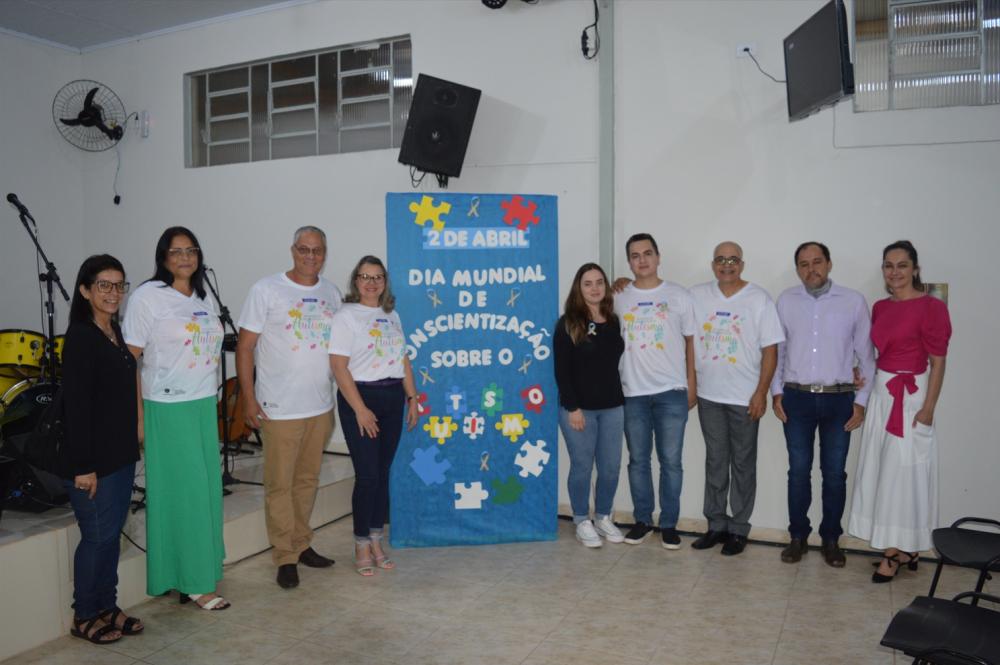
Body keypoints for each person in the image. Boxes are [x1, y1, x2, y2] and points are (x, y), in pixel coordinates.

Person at [123, 227, 229, 610]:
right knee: (185, 495)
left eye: (191, 250)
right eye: (176, 251)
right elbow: (128, 361)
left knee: (204, 493)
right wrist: (137, 416)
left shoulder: (202, 296)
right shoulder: (147, 298)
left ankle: (190, 571)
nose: (185, 258)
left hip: (201, 403)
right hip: (167, 407)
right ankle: (195, 583)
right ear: (162, 257)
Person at [236, 226, 343, 589]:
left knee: (307, 480)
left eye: (317, 250)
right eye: (304, 249)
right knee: (279, 485)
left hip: (319, 406)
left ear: (325, 253)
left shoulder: (331, 292)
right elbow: (245, 347)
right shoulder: (266, 289)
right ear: (292, 250)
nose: (310, 256)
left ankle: (301, 543)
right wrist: (249, 398)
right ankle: (284, 555)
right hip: (279, 408)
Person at [849, 240, 951, 583]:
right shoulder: (880, 307)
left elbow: (938, 362)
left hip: (911, 397)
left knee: (904, 473)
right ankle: (901, 547)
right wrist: (862, 372)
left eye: (902, 265)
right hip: (882, 392)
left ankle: (895, 552)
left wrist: (929, 408)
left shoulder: (932, 308)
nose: (895, 272)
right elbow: (879, 353)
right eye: (889, 266)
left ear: (915, 269)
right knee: (883, 470)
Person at [771, 242, 875, 567]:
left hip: (839, 400)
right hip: (797, 398)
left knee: (834, 474)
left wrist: (861, 401)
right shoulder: (786, 301)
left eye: (817, 262)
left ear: (829, 264)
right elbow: (778, 352)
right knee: (798, 473)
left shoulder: (853, 302)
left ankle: (831, 539)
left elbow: (867, 356)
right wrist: (776, 393)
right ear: (797, 268)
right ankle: (798, 538)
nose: (811, 269)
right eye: (803, 264)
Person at [60, 255, 142, 644]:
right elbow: (76, 407)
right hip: (92, 462)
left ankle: (107, 606)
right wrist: (84, 466)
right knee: (96, 537)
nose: (113, 293)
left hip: (119, 455)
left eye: (119, 285)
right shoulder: (80, 337)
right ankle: (84, 615)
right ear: (85, 290)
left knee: (111, 537)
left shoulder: (114, 330)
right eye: (104, 285)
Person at [689, 241, 783, 556]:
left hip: (745, 398)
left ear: (742, 264)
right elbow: (667, 304)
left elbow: (771, 351)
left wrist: (761, 392)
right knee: (716, 461)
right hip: (709, 396)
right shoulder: (697, 296)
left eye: (732, 260)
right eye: (720, 259)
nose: (726, 265)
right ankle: (716, 524)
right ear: (712, 264)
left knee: (743, 463)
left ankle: (739, 529)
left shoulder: (759, 299)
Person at [328, 256, 418, 575]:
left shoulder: (391, 315)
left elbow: (402, 360)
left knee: (382, 473)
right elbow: (339, 367)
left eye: (377, 277)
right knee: (367, 475)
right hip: (360, 398)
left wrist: (412, 397)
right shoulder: (346, 316)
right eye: (365, 276)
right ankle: (361, 542)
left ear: (384, 282)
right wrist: (361, 409)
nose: (371, 282)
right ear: (356, 281)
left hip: (393, 397)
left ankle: (378, 540)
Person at [613, 234, 697, 549]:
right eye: (635, 256)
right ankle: (643, 520)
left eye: (648, 253)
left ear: (658, 257)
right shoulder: (618, 296)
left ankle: (669, 524)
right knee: (638, 460)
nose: (642, 260)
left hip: (671, 392)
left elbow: (691, 342)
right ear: (629, 262)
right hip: (632, 392)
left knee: (671, 461)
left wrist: (691, 385)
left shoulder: (679, 295)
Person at [554, 263, 626, 548]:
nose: (595, 288)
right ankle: (582, 519)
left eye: (600, 282)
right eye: (588, 283)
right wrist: (572, 408)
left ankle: (604, 516)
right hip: (578, 409)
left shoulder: (614, 320)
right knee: (582, 466)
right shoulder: (568, 323)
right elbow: (562, 371)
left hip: (612, 406)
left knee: (610, 467)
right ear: (578, 288)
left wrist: (626, 281)